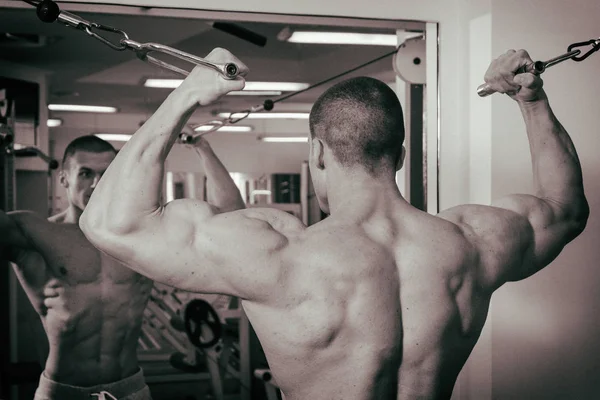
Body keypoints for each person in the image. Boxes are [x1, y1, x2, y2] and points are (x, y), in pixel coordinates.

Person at [79, 48, 589, 400]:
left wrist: (187, 95)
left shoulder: (277, 254)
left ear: (317, 154)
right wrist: (532, 100)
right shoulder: (472, 243)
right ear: (401, 154)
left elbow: (110, 224)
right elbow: (564, 208)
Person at [0, 134, 244, 400]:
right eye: (85, 173)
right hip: (62, 391)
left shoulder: (142, 236)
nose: (96, 184)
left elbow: (231, 218)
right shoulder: (38, 234)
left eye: (106, 174)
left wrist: (202, 148)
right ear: (64, 178)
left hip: (129, 389)